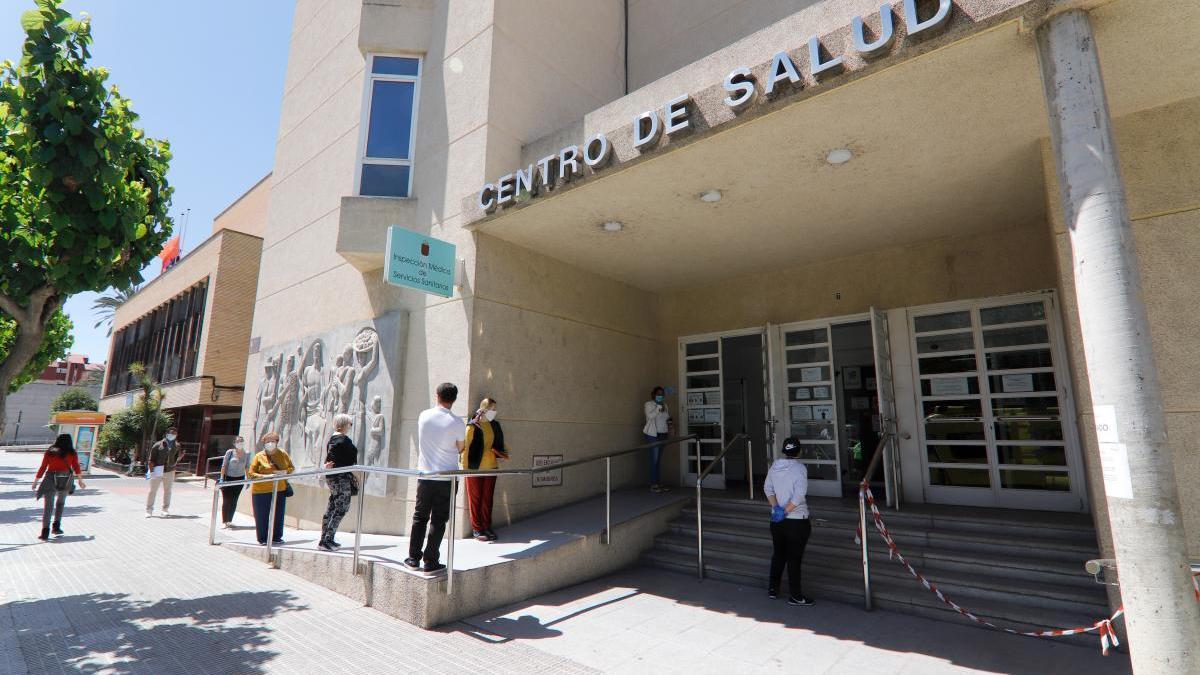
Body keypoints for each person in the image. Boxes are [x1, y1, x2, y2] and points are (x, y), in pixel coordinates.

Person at [405, 382, 465, 573]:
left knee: (419, 517)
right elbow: (461, 447)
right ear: (454, 399)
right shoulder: (457, 422)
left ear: (437, 395)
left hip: (426, 475)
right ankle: (430, 561)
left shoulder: (424, 416)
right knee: (439, 520)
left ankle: (413, 559)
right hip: (447, 477)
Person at [763, 437, 813, 606]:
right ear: (799, 451)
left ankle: (773, 589)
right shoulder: (800, 469)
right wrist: (785, 511)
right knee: (794, 558)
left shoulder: (774, 466)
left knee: (778, 554)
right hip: (797, 521)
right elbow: (799, 496)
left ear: (784, 451)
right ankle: (796, 595)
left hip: (776, 521)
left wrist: (776, 509)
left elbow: (767, 488)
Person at [461, 397, 510, 542]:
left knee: (487, 499)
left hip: (491, 466)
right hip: (474, 468)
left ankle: (487, 526)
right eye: (491, 409)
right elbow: (466, 447)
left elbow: (500, 443)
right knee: (475, 498)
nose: (494, 412)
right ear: (483, 409)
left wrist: (503, 453)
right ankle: (477, 529)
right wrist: (465, 468)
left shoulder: (494, 425)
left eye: (495, 409)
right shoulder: (473, 426)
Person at [32, 434, 86, 541]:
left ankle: (45, 532)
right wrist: (80, 480)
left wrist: (36, 481)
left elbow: (43, 467)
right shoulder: (72, 452)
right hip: (66, 479)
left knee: (48, 506)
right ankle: (56, 527)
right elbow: (76, 466)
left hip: (50, 478)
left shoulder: (51, 451)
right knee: (60, 503)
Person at [319, 413, 360, 551]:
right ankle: (327, 540)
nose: (350, 427)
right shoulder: (343, 440)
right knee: (341, 507)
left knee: (332, 506)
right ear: (344, 425)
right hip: (340, 477)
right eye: (350, 424)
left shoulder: (332, 439)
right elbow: (352, 458)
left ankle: (324, 539)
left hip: (333, 476)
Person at [246, 431, 295, 546]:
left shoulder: (283, 454)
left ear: (277, 442)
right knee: (261, 514)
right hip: (261, 490)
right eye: (268, 441)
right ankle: (262, 538)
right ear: (264, 443)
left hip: (279, 489)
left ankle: (277, 537)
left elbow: (291, 468)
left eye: (273, 441)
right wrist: (266, 476)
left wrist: (284, 472)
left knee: (278, 514)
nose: (270, 443)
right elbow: (251, 473)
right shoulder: (259, 456)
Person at [146, 426, 184, 518]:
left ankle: (165, 509)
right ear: (167, 434)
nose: (172, 435)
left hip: (170, 471)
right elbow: (151, 459)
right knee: (152, 491)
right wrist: (151, 472)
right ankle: (149, 510)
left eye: (174, 434)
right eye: (171, 433)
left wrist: (179, 458)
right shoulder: (158, 445)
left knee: (168, 491)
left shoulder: (177, 446)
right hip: (157, 470)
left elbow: (176, 459)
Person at [643, 386, 672, 492]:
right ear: (653, 395)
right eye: (658, 394)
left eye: (662, 394)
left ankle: (658, 483)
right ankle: (653, 484)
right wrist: (658, 407)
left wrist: (671, 426)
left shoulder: (665, 406)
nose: (661, 396)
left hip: (663, 434)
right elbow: (650, 416)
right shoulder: (649, 404)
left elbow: (667, 418)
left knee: (658, 460)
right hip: (652, 435)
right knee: (654, 460)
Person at [219, 436, 250, 528]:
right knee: (226, 500)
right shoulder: (230, 452)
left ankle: (229, 520)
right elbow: (224, 466)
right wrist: (221, 478)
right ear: (234, 443)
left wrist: (248, 479)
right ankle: (225, 521)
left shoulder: (247, 453)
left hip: (239, 479)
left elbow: (247, 467)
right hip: (228, 479)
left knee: (234, 500)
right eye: (238, 441)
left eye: (241, 441)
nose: (240, 443)